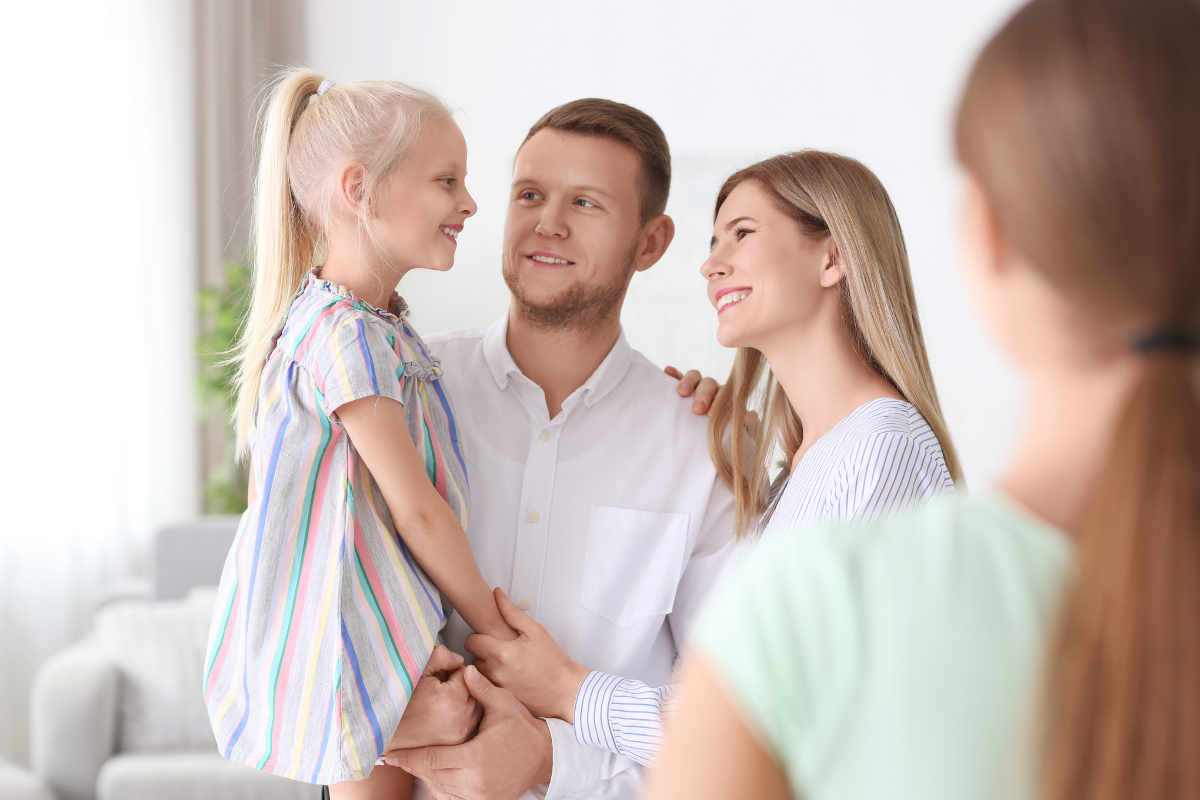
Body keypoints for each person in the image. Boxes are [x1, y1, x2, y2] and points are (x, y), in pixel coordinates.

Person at [647, 0, 1200, 798]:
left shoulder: (824, 595)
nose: (713, 265)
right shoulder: (797, 513)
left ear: (989, 232)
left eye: (739, 234)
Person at [382, 99, 737, 800]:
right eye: (530, 195)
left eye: (585, 202)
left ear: (651, 243)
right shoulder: (403, 392)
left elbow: (728, 731)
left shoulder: (703, 449)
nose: (548, 222)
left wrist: (554, 763)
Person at [202, 69, 516, 800]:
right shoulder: (348, 334)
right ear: (358, 188)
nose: (468, 202)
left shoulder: (367, 324)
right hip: (353, 631)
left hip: (372, 624)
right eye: (446, 180)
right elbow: (418, 512)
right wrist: (496, 633)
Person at [704, 150, 961, 542]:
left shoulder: (882, 451)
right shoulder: (793, 475)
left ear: (833, 258)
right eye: (714, 243)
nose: (710, 266)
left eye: (742, 233)